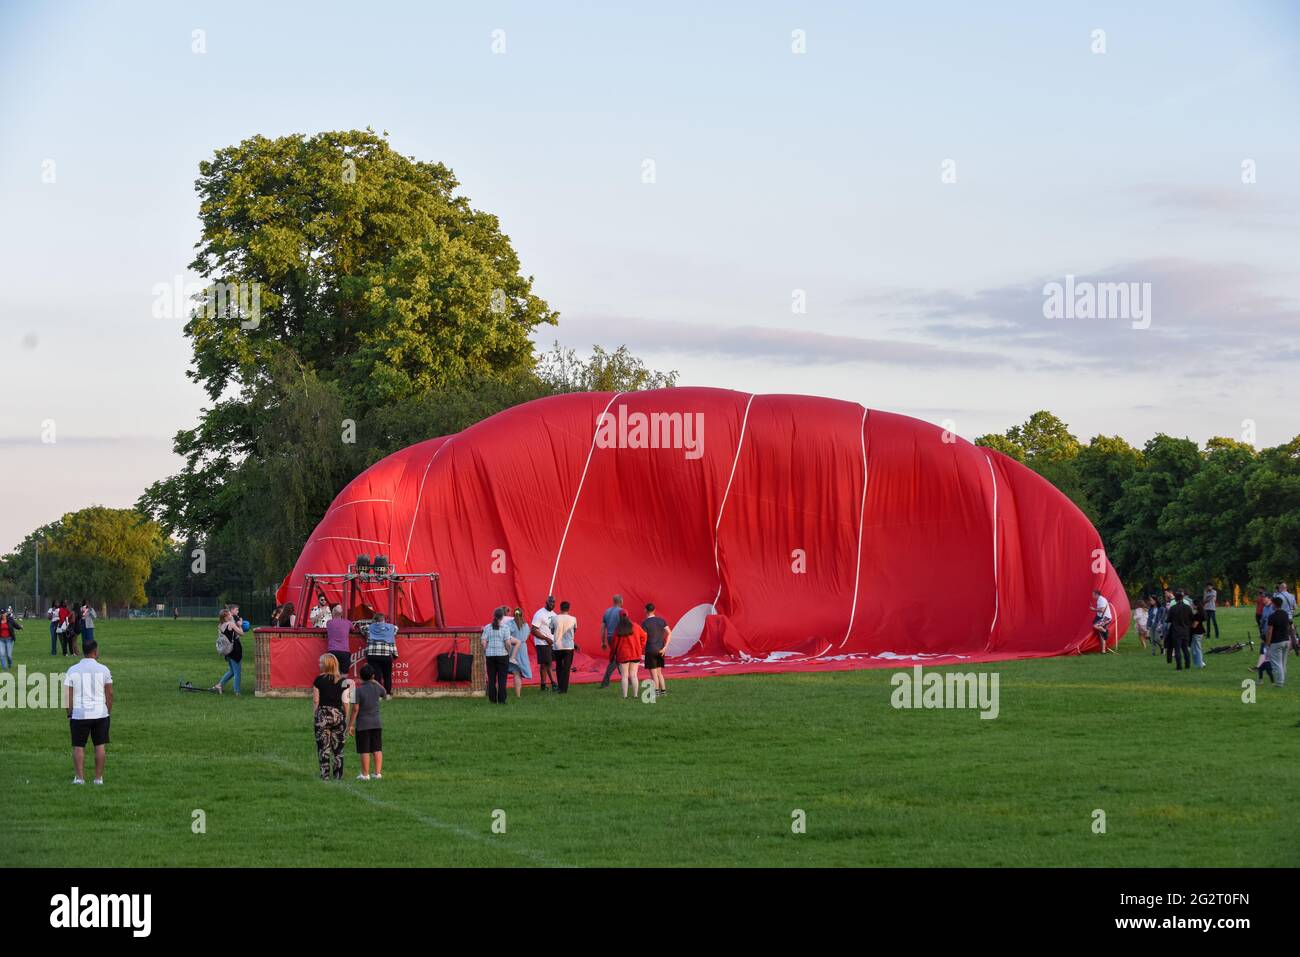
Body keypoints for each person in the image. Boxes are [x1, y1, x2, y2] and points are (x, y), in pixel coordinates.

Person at [64, 638, 112, 785]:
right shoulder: (104, 669)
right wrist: (107, 711)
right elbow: (109, 694)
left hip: (79, 713)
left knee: (78, 746)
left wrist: (69, 713)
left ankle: (79, 778)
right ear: (95, 651)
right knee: (99, 745)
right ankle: (98, 778)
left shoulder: (72, 670)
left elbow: (67, 695)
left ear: (83, 651)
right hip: (100, 713)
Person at [312, 654, 348, 780]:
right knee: (338, 749)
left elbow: (316, 701)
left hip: (323, 714)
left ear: (327, 664)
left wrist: (315, 715)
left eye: (321, 663)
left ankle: (325, 775)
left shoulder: (318, 680)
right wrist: (345, 717)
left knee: (323, 748)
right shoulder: (344, 682)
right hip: (338, 715)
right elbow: (346, 702)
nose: (319, 664)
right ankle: (338, 775)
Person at [348, 663, 385, 780]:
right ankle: (377, 773)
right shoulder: (377, 687)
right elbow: (384, 692)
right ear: (373, 676)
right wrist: (376, 682)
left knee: (364, 749)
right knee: (377, 748)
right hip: (376, 723)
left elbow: (355, 709)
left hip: (363, 724)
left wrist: (350, 725)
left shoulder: (356, 691)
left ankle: (365, 774)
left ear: (360, 676)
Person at [612, 610, 647, 699]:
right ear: (628, 615)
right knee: (634, 675)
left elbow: (614, 644)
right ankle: (635, 695)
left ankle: (625, 696)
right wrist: (640, 647)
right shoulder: (636, 626)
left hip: (623, 655)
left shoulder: (617, 629)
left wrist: (613, 654)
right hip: (635, 653)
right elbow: (644, 637)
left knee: (624, 676)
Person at [481, 608, 511, 704]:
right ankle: (502, 700)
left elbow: (484, 643)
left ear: (494, 616)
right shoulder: (505, 628)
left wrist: (486, 650)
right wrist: (508, 650)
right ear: (502, 617)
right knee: (502, 679)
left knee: (491, 678)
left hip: (490, 656)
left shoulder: (487, 627)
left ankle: (492, 700)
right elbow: (507, 643)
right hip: (502, 655)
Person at [211, 609, 244, 695]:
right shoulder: (231, 624)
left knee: (232, 671)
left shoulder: (220, 625)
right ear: (226, 617)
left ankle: (219, 685)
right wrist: (240, 625)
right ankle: (237, 691)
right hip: (234, 650)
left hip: (227, 651)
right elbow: (241, 633)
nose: (231, 615)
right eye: (229, 614)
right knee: (237, 672)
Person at [641, 602, 671, 697]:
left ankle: (656, 693)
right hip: (661, 649)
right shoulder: (661, 620)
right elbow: (669, 633)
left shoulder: (645, 623)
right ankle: (663, 692)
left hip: (650, 649)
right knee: (659, 673)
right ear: (654, 610)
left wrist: (641, 648)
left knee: (653, 674)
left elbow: (644, 638)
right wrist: (665, 647)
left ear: (645, 610)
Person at [364, 612, 398, 696]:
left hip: (373, 654)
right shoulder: (390, 627)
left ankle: (377, 695)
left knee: (376, 675)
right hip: (386, 654)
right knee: (387, 675)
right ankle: (388, 694)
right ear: (384, 619)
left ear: (374, 620)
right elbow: (396, 628)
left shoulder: (369, 627)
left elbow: (362, 628)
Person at [531, 596, 558, 692]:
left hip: (552, 643)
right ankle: (554, 683)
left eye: (553, 602)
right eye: (550, 602)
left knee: (544, 665)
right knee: (548, 663)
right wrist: (546, 638)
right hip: (542, 643)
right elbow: (533, 630)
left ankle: (543, 685)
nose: (552, 604)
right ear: (546, 602)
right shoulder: (539, 614)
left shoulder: (554, 615)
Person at [599, 594, 625, 688]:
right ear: (621, 601)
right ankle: (605, 682)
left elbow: (602, 628)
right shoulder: (622, 612)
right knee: (616, 660)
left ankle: (627, 679)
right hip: (619, 638)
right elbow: (626, 626)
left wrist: (603, 641)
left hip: (610, 638)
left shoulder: (607, 612)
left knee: (618, 659)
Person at [552, 601, 578, 693]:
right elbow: (574, 630)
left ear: (560, 608)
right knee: (567, 668)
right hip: (569, 646)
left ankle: (560, 687)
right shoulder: (573, 619)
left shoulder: (554, 618)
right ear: (569, 608)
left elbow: (552, 631)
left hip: (557, 646)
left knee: (559, 667)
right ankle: (564, 688)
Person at [1264, 596, 1290, 688]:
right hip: (1286, 640)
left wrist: (1267, 643)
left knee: (1276, 662)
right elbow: (1288, 627)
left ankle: (1280, 682)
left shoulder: (1272, 616)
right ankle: (1282, 678)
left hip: (1276, 642)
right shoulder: (1285, 614)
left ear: (1274, 604)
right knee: (1283, 662)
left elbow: (1269, 631)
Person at [507, 608, 533, 698]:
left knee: (515, 671)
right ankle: (518, 694)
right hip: (523, 648)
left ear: (514, 614)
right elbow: (527, 635)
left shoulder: (510, 624)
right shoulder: (526, 625)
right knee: (518, 671)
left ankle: (516, 694)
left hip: (514, 647)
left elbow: (506, 635)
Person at [1165, 589, 1192, 671]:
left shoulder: (1172, 608)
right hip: (1186, 630)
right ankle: (1187, 665)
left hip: (1176, 631)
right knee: (1185, 649)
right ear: (1183, 598)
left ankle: (1179, 666)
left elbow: (1168, 620)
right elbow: (1191, 618)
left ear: (1175, 599)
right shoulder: (1188, 608)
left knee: (1177, 649)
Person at [325, 605, 352, 677]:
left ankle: (332, 688)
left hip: (332, 651)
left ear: (333, 613)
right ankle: (343, 688)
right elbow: (352, 629)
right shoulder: (348, 623)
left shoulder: (329, 623)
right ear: (342, 614)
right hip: (344, 652)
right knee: (344, 676)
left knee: (331, 675)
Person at [1190, 598, 1206, 669]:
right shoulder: (1199, 613)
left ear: (1196, 605)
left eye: (1193, 604)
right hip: (1199, 632)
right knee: (1195, 649)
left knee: (1197, 649)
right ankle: (1199, 663)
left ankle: (1200, 664)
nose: (1192, 605)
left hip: (1197, 633)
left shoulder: (1198, 614)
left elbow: (1194, 625)